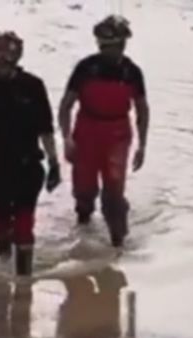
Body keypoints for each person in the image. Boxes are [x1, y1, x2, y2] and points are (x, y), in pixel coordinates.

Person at [0, 31, 62, 277]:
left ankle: (24, 284)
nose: (0, 66)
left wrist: (54, 163)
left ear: (15, 60)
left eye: (5, 61)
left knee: (24, 228)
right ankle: (3, 267)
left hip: (28, 167)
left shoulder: (34, 87)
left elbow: (46, 129)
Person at [59, 15, 149, 248]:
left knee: (114, 187)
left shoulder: (132, 72)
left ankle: (118, 242)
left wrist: (142, 146)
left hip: (117, 134)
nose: (111, 51)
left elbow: (142, 109)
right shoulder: (86, 68)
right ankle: (83, 228)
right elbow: (66, 105)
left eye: (115, 46)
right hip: (86, 130)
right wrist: (67, 138)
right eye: (105, 46)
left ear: (123, 45)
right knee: (83, 188)